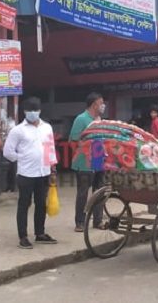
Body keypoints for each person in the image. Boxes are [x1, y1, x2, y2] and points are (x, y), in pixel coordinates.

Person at [3, 97, 58, 249]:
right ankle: (23, 236)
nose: (33, 113)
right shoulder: (17, 130)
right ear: (25, 112)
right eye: (30, 110)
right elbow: (8, 152)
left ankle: (40, 233)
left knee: (41, 204)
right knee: (24, 204)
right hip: (26, 173)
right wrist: (21, 158)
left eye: (35, 110)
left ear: (40, 111)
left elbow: (50, 148)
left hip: (43, 172)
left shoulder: (47, 127)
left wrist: (53, 167)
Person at [70, 93, 105, 232]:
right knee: (83, 193)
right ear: (94, 104)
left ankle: (98, 220)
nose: (103, 105)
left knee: (100, 191)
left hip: (98, 160)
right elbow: (73, 141)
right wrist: (84, 151)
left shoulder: (99, 119)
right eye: (101, 103)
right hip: (84, 162)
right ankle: (80, 222)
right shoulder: (81, 119)